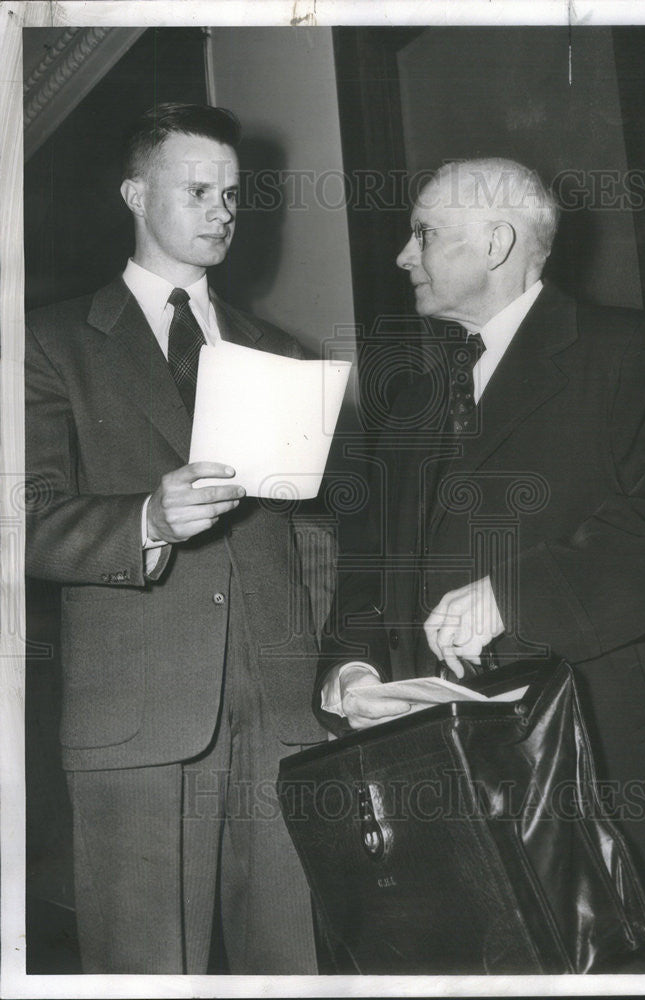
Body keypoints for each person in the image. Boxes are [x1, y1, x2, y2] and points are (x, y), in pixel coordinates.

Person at [314, 157, 645, 971]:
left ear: (498, 241)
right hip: (437, 757)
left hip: (596, 751)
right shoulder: (412, 393)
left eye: (425, 234)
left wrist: (516, 596)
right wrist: (354, 664)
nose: (404, 255)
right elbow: (373, 559)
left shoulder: (633, 349)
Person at [25, 103, 324, 974]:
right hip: (138, 723)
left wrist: (338, 669)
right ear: (133, 193)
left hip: (280, 720)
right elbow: (23, 522)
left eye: (232, 194)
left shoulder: (281, 352)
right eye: (198, 190)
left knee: (291, 967)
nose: (222, 210)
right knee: (145, 971)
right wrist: (145, 520)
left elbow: (313, 538)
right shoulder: (49, 343)